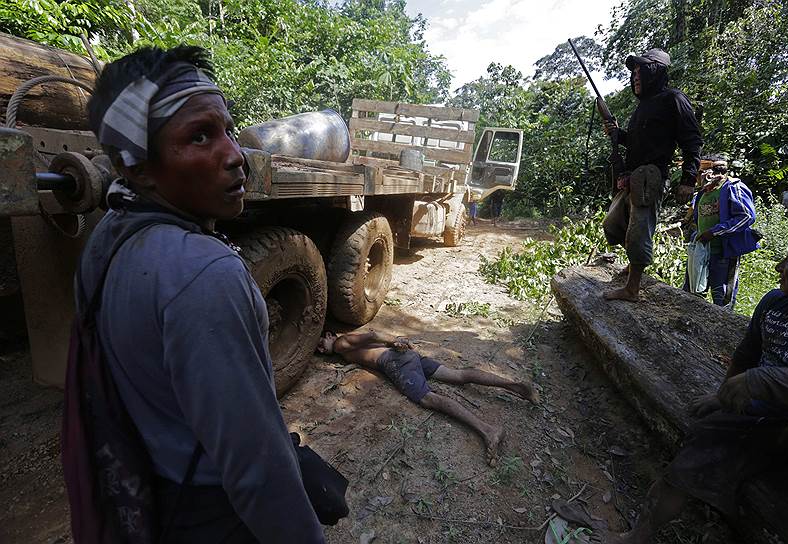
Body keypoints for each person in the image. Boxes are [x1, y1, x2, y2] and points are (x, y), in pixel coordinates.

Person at [77, 46, 324, 542]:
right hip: (210, 512)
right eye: (200, 136)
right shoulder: (206, 275)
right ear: (140, 168)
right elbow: (256, 469)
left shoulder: (105, 239)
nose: (235, 154)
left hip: (153, 487)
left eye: (229, 129)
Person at [609, 228, 788, 544]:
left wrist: (764, 380)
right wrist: (723, 395)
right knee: (685, 465)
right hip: (755, 417)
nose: (779, 267)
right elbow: (746, 355)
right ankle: (638, 536)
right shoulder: (774, 303)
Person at [316, 330, 539, 466]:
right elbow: (374, 340)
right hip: (405, 356)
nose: (321, 349)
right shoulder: (345, 346)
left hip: (395, 362)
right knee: (458, 375)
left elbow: (373, 334)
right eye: (319, 350)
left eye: (320, 344)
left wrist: (395, 341)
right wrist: (397, 343)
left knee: (428, 399)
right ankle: (517, 388)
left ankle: (488, 430)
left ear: (329, 335)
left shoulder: (339, 343)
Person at [601, 48, 703, 302]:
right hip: (632, 177)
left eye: (640, 70)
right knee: (613, 224)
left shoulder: (673, 99)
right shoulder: (642, 108)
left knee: (638, 230)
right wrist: (619, 135)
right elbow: (637, 143)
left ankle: (632, 288)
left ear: (655, 71)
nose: (635, 75)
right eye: (634, 71)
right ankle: (636, 266)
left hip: (651, 178)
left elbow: (692, 140)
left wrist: (688, 179)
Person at [683, 156, 759, 309]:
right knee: (692, 292)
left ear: (709, 174)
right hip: (702, 252)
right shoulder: (702, 193)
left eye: (698, 174)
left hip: (724, 253)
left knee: (722, 299)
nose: (696, 179)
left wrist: (714, 232)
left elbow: (746, 217)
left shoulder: (733, 188)